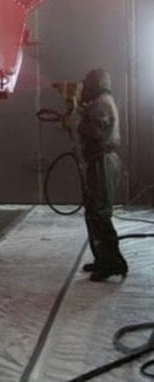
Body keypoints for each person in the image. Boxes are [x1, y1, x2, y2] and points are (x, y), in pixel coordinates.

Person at [77, 68, 127, 282]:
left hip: (102, 161)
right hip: (98, 160)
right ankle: (102, 259)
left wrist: (78, 121)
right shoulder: (101, 102)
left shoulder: (101, 104)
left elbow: (95, 132)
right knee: (93, 211)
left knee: (100, 212)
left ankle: (113, 263)